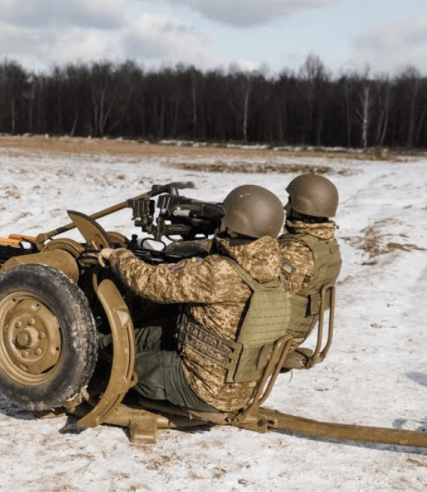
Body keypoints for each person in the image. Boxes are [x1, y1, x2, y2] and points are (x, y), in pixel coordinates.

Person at [99, 185, 290, 413]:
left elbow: (151, 283)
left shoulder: (220, 273)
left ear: (236, 222)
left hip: (204, 389)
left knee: (129, 364)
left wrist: (117, 256)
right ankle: (102, 346)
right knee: (139, 337)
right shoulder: (276, 268)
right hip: (241, 384)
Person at [278, 174, 342, 370]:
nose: (285, 207)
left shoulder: (297, 252)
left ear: (303, 206)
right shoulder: (327, 246)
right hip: (295, 332)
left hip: (274, 336)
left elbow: (262, 292)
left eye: (290, 201)